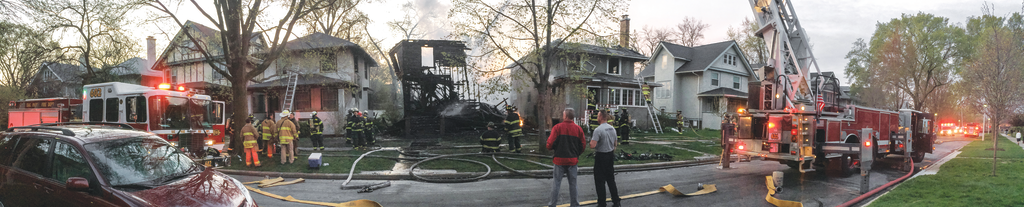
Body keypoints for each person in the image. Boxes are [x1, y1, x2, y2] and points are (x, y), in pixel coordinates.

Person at [547, 108, 587, 207]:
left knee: (556, 183)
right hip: (572, 161)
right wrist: (576, 154)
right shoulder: (578, 129)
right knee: (573, 184)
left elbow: (550, 144)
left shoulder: (557, 127)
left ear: (565, 116)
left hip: (559, 160)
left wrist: (551, 147)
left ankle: (552, 204)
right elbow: (583, 145)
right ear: (572, 117)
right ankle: (574, 204)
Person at [590, 110, 620, 207]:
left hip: (601, 156)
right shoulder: (612, 129)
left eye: (598, 116)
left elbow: (593, 145)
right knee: (611, 179)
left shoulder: (598, 130)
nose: (597, 118)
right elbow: (615, 144)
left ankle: (602, 203)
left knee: (600, 181)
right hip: (610, 155)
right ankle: (616, 201)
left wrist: (590, 142)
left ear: (601, 117)